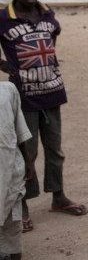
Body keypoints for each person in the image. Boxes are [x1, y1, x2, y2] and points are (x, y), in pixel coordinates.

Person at [0, 0, 87, 234]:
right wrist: (8, 67)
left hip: (51, 91)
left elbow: (50, 41)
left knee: (55, 149)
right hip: (24, 97)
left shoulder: (47, 13)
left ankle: (58, 197)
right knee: (27, 153)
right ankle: (22, 203)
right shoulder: (4, 18)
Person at [0, 83, 32, 260]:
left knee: (12, 233)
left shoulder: (8, 90)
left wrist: (28, 161)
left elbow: (19, 131)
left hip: (11, 175)